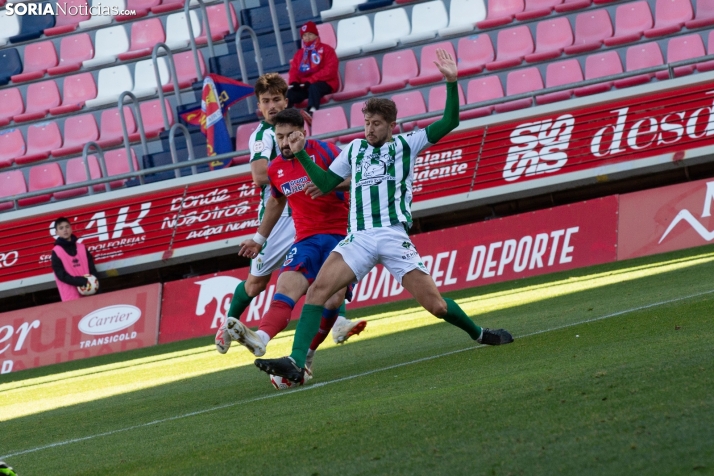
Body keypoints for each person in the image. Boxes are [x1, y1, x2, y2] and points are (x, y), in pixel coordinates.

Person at [255, 49, 515, 383]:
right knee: (319, 290)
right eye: (366, 123)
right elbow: (323, 183)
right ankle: (295, 360)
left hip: (393, 235)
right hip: (359, 237)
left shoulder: (408, 144)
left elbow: (450, 122)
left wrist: (451, 82)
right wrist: (304, 154)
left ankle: (480, 334)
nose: (369, 129)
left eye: (376, 124)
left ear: (392, 126)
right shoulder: (354, 150)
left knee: (435, 305)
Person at [216, 73, 363, 355]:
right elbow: (260, 176)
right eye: (265, 102)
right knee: (257, 282)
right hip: (283, 217)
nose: (271, 106)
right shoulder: (263, 135)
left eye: (276, 100)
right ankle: (227, 328)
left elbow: (350, 175)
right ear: (258, 107)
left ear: (286, 101)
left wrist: (316, 174)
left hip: (311, 219)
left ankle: (332, 326)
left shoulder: (315, 144)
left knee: (328, 276)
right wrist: (289, 171)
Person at [287, 21, 339, 115]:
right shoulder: (299, 54)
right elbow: (294, 70)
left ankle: (311, 111)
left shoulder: (327, 50)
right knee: (290, 94)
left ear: (316, 34)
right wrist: (294, 82)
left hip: (326, 83)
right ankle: (283, 117)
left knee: (314, 87)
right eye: (305, 35)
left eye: (310, 34)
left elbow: (330, 70)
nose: (307, 38)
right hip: (306, 85)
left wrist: (311, 80)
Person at [51, 217, 99, 302]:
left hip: (89, 293)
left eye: (67, 227)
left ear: (71, 228)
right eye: (61, 228)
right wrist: (80, 281)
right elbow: (61, 275)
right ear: (56, 232)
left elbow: (92, 269)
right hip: (71, 298)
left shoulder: (82, 247)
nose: (65, 230)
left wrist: (94, 284)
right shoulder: (56, 251)